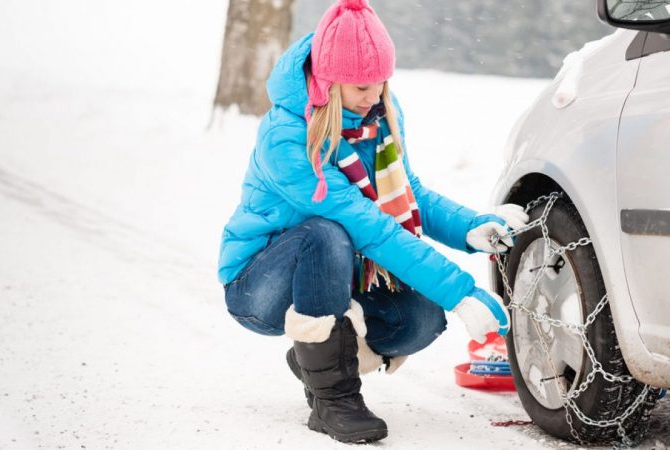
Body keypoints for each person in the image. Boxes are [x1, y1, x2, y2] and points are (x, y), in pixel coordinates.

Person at [217, 0, 529, 443]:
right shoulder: (287, 137)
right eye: (361, 87)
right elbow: (368, 223)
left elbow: (407, 192)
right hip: (261, 286)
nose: (373, 96)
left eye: (381, 83)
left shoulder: (378, 111)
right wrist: (460, 290)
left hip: (339, 275)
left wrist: (468, 228)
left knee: (419, 319)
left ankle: (319, 357)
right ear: (327, 82)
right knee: (325, 234)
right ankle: (334, 400)